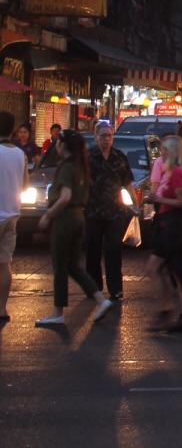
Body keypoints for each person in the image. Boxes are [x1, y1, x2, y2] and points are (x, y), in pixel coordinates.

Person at [34, 130, 114, 327]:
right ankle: (101, 300)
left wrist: (48, 214)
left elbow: (65, 196)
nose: (57, 145)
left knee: (60, 265)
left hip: (65, 218)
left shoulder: (67, 167)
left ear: (64, 146)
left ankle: (58, 311)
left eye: (59, 142)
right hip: (79, 217)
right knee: (72, 265)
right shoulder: (81, 166)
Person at [142, 135, 182, 332]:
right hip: (169, 225)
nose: (161, 153)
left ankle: (169, 311)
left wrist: (158, 198)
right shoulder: (171, 172)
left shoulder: (179, 173)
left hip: (176, 227)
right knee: (175, 272)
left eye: (164, 149)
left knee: (162, 269)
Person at [85, 122, 140, 301]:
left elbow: (128, 182)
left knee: (113, 251)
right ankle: (93, 288)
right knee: (93, 251)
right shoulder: (89, 157)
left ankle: (115, 289)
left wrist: (135, 203)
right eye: (102, 136)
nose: (106, 139)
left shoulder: (119, 157)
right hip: (93, 211)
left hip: (115, 211)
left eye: (109, 135)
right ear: (96, 137)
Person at [0, 111, 26, 323]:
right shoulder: (20, 154)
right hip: (12, 214)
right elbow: (24, 185)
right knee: (4, 263)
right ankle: (2, 308)